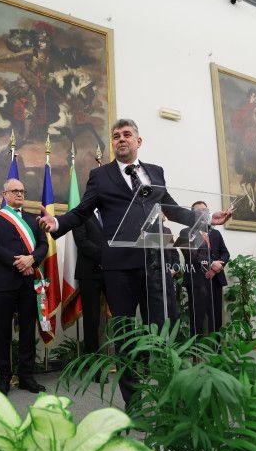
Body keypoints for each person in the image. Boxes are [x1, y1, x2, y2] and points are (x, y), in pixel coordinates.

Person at [36, 119, 232, 406]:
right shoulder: (100, 176)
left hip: (155, 263)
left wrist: (205, 218)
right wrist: (57, 223)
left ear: (139, 141)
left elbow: (171, 208)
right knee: (126, 335)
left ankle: (170, 396)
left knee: (164, 330)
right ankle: (135, 403)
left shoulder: (155, 172)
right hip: (118, 267)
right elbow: (81, 212)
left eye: (127, 135)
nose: (120, 139)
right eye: (115, 136)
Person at [0, 178, 47, 395]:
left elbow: (44, 245)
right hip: (3, 282)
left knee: (28, 331)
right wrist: (19, 261)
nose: (20, 194)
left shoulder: (33, 219)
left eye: (22, 191)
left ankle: (27, 376)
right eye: (15, 191)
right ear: (5, 194)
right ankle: (3, 377)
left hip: (28, 282)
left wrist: (32, 259)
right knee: (2, 331)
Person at [177, 201, 230, 334]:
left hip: (215, 280)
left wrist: (215, 268)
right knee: (197, 317)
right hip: (197, 280)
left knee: (216, 316)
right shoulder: (186, 232)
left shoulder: (215, 233)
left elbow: (225, 253)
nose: (204, 213)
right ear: (192, 214)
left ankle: (217, 349)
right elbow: (191, 254)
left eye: (205, 210)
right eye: (199, 210)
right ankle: (196, 353)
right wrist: (211, 264)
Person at [72, 210, 106, 358]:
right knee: (92, 319)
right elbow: (82, 241)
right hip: (89, 273)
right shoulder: (81, 214)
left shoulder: (111, 212)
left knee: (120, 314)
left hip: (112, 272)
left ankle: (123, 361)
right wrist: (106, 256)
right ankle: (93, 363)